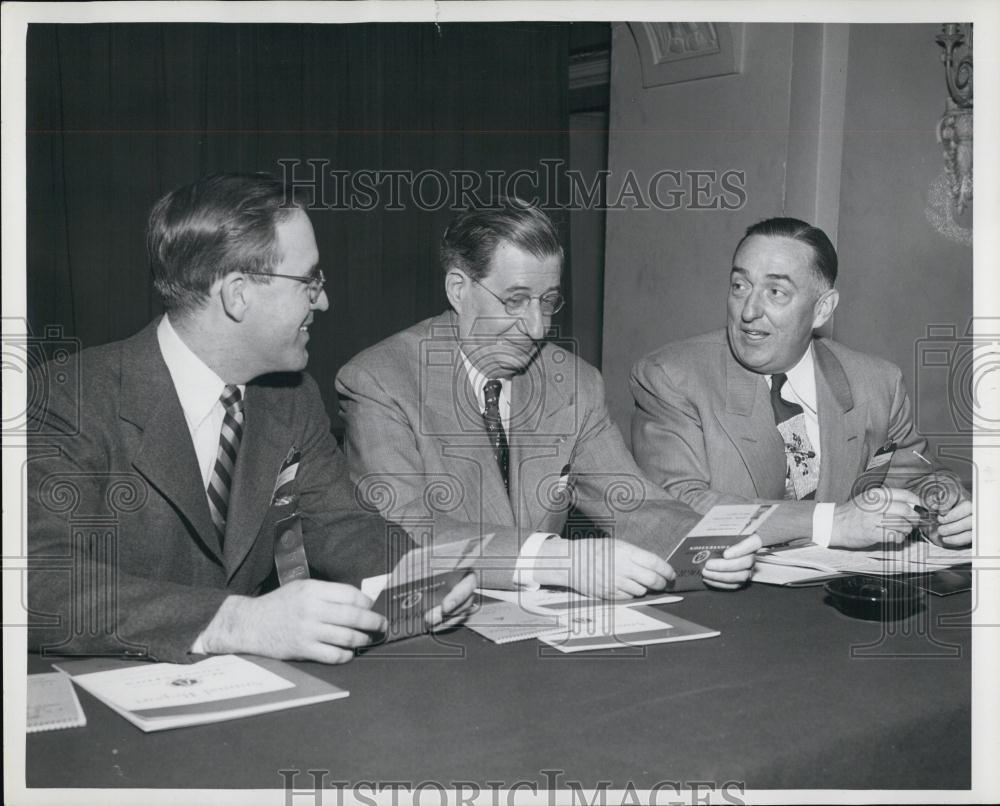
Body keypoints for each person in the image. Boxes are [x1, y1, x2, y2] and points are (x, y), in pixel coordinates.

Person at [27, 173, 475, 665]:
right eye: (309, 280)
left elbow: (342, 524)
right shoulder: (67, 399)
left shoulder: (291, 398)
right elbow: (37, 580)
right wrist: (237, 621)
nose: (322, 301)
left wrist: (413, 576)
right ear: (237, 294)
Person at [335, 198, 759, 598]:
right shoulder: (380, 381)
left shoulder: (575, 384)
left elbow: (632, 504)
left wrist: (709, 547)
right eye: (515, 301)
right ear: (458, 289)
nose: (537, 328)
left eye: (548, 302)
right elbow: (404, 532)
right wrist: (559, 561)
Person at [630, 216, 972, 549]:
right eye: (740, 286)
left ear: (823, 310)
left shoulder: (878, 383)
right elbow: (678, 505)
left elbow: (916, 475)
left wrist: (942, 512)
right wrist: (829, 523)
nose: (748, 310)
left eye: (776, 292)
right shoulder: (671, 377)